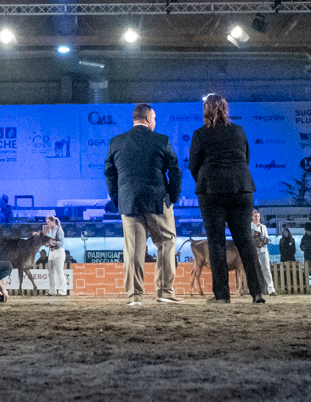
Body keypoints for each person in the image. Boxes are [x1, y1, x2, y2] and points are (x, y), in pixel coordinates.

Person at [188, 93, 264, 304]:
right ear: (225, 110)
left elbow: (193, 166)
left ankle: (222, 296)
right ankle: (257, 292)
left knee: (216, 243)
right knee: (245, 241)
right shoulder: (239, 131)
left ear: (205, 111)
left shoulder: (199, 134)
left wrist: (206, 182)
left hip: (211, 192)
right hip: (241, 189)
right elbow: (245, 159)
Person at [104, 101, 182, 306]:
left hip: (129, 202)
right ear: (147, 118)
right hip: (157, 201)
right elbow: (175, 170)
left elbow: (109, 173)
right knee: (166, 243)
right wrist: (173, 197)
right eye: (154, 118)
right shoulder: (162, 140)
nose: (155, 121)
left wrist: (117, 198)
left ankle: (134, 296)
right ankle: (164, 291)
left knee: (133, 250)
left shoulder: (116, 142)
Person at [41, 213, 70, 296]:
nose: (48, 224)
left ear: (53, 221)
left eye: (49, 222)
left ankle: (62, 291)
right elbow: (49, 242)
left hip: (59, 252)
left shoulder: (59, 230)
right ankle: (52, 291)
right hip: (51, 252)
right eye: (47, 223)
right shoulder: (50, 231)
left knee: (59, 271)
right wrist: (47, 244)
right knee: (50, 272)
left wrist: (53, 242)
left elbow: (61, 243)